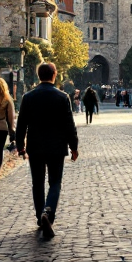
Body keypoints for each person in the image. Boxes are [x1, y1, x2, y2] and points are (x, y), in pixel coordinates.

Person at [15, 62, 79, 241]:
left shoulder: (28, 97)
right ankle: (48, 212)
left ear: (38, 75)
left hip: (35, 146)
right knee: (55, 182)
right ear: (54, 75)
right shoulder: (62, 97)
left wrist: (20, 146)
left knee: (37, 182)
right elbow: (69, 125)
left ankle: (39, 217)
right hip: (57, 147)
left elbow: (21, 125)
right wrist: (74, 147)